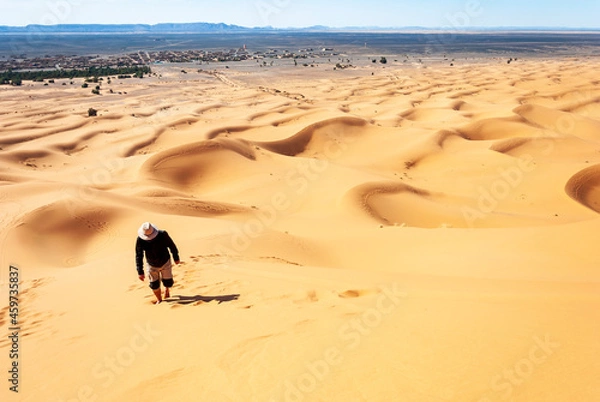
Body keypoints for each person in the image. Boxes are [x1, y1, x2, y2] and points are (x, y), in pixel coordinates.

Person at [135, 222, 180, 304]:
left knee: (168, 282)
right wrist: (140, 271)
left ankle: (167, 289)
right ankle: (159, 299)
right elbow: (139, 255)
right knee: (154, 284)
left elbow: (172, 245)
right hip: (151, 264)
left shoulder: (163, 234)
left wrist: (176, 257)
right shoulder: (140, 240)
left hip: (165, 261)